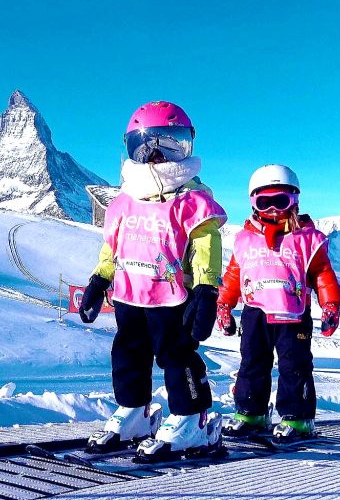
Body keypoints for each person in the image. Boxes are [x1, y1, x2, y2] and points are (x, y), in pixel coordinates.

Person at [77, 100, 228, 460]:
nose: (157, 155)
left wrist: (206, 291)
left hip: (173, 296)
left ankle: (192, 419)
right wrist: (100, 279)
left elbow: (207, 246)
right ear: (133, 148)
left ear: (186, 145)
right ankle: (135, 412)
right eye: (147, 145)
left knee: (177, 357)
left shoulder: (192, 201)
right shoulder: (122, 202)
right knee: (127, 354)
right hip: (130, 295)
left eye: (169, 143)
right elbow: (113, 246)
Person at [215, 164, 340, 443]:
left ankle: (298, 418)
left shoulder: (306, 239)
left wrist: (330, 304)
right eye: (265, 203)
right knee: (251, 362)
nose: (273, 210)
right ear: (254, 203)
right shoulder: (246, 240)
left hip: (293, 313)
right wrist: (224, 305)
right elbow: (235, 274)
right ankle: (251, 413)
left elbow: (322, 273)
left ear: (294, 202)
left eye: (280, 202)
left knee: (294, 365)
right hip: (255, 311)